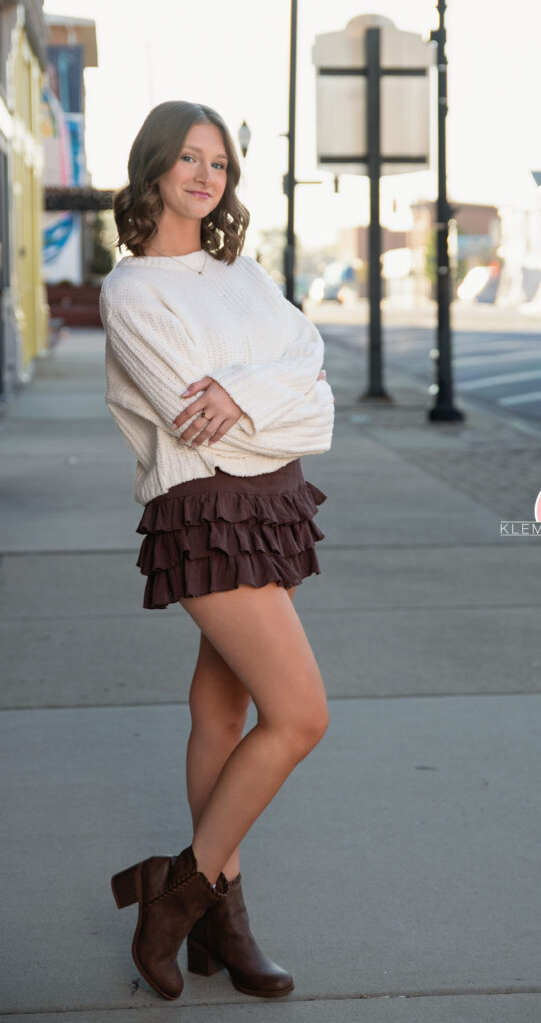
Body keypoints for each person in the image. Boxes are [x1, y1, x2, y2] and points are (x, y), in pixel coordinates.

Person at [100, 100, 335, 1003]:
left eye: (220, 163)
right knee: (301, 716)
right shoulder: (133, 292)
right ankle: (175, 896)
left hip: (273, 503)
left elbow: (314, 377)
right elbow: (191, 420)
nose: (206, 176)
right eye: (189, 158)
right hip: (205, 509)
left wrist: (244, 396)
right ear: (155, 167)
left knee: (222, 714)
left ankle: (221, 924)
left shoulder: (244, 271)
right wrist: (260, 399)